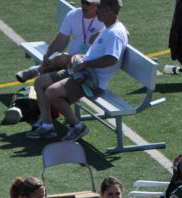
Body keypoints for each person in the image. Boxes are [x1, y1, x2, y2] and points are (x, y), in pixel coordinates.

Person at [27, 0, 127, 142]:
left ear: (109, 10)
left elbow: (111, 59)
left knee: (51, 92)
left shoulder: (115, 33)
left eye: (99, 7)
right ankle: (47, 126)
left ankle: (78, 126)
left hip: (92, 81)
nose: (96, 10)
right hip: (81, 71)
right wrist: (82, 58)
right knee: (40, 82)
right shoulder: (108, 28)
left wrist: (86, 62)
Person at [15, 0, 101, 83]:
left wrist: (101, 34)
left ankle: (35, 70)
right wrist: (47, 54)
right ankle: (39, 72)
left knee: (61, 59)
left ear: (97, 6)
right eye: (83, 2)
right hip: (71, 60)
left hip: (89, 63)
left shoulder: (103, 19)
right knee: (49, 71)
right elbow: (60, 39)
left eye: (88, 3)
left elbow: (113, 25)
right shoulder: (73, 15)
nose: (84, 5)